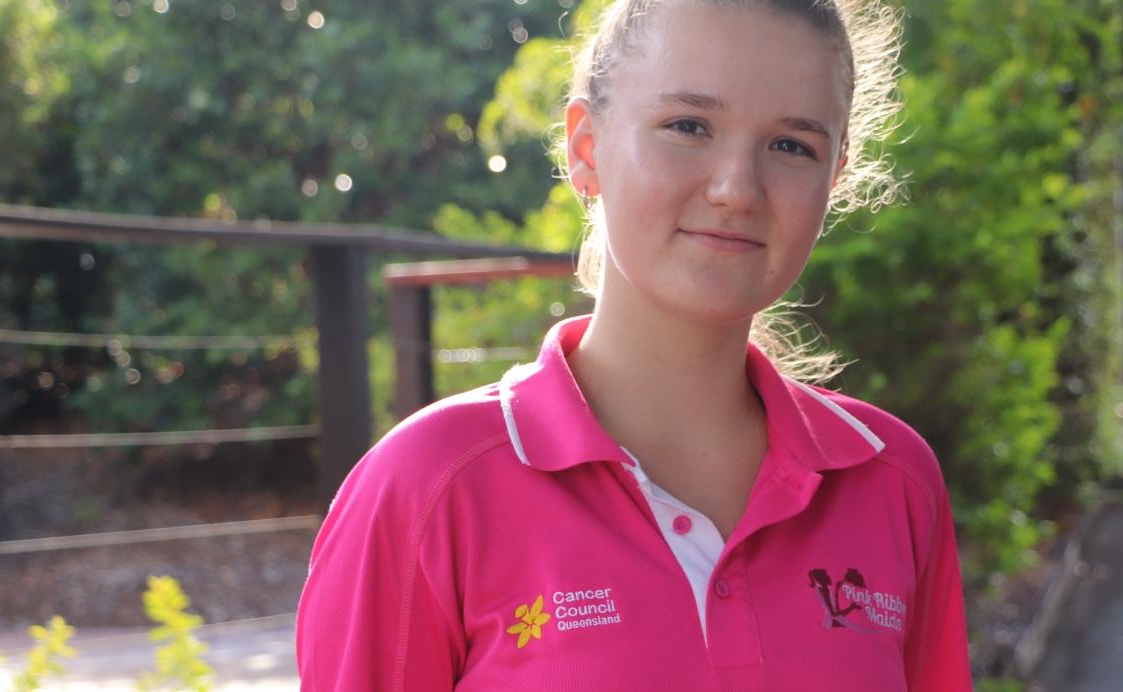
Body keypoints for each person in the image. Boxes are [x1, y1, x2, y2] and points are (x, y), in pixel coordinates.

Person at [295, 0, 972, 689]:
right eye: (688, 126)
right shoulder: (426, 489)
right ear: (586, 149)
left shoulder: (895, 483)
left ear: (835, 179)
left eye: (792, 145)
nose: (737, 189)